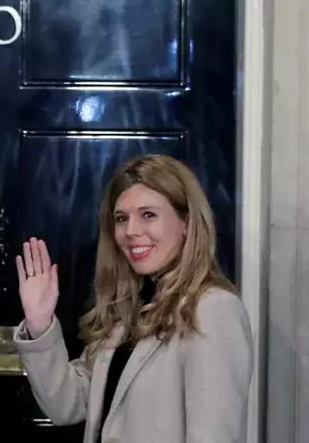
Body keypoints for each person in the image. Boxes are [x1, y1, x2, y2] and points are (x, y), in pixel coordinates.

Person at [13, 154, 253, 443]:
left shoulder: (213, 308)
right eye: (121, 219)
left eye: (148, 215)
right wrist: (40, 325)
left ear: (186, 222)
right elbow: (65, 407)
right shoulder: (128, 309)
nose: (131, 231)